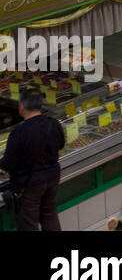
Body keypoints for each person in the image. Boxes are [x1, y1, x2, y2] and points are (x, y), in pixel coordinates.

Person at [0, 91, 64, 230]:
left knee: (28, 221)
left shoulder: (19, 132)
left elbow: (8, 163)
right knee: (49, 214)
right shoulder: (53, 123)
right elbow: (61, 145)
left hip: (30, 182)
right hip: (52, 176)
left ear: (21, 106)